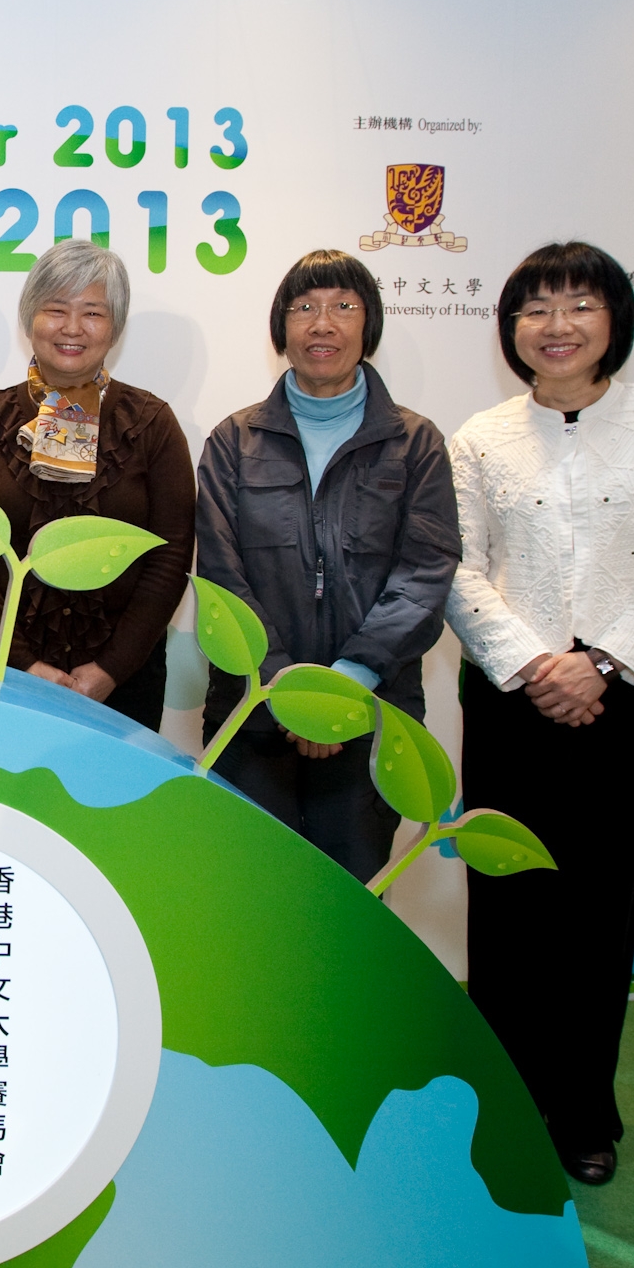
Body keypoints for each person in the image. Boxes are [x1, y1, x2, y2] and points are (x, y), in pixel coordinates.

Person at [446, 240, 634, 1188]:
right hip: (512, 702)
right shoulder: (480, 437)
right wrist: (534, 663)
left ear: (616, 321)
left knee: (602, 914)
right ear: (510, 328)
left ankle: (581, 1114)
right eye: (535, 308)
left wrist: (602, 662)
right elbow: (457, 565)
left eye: (578, 306)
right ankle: (505, 1106)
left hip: (632, 703)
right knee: (510, 911)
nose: (556, 326)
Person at [194, 250, 458, 881]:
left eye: (344, 306)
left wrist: (340, 691)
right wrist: (291, 694)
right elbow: (222, 575)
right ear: (280, 328)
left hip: (373, 715)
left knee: (352, 906)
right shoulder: (234, 441)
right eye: (304, 307)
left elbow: (425, 574)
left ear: (369, 327)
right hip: (253, 712)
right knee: (251, 900)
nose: (322, 324)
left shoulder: (415, 443)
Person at [0, 239, 194, 728]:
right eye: (56, 309)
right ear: (29, 318)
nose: (72, 328)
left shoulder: (152, 424)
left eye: (93, 312)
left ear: (115, 326)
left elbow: (171, 553)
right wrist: (23, 664)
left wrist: (110, 669)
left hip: (123, 682)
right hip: (4, 673)